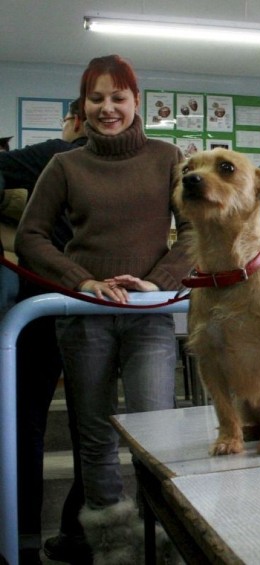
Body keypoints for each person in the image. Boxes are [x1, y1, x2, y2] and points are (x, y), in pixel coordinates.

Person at [15, 54, 191, 561]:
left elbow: (197, 232)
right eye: (96, 98)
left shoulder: (168, 158)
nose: (107, 108)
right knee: (92, 436)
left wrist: (154, 284)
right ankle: (111, 546)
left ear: (137, 101)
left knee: (154, 435)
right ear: (83, 106)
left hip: (149, 317)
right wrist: (82, 280)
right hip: (84, 318)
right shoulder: (64, 163)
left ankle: (161, 537)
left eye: (118, 97)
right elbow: (30, 236)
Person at [1, 99, 88, 564]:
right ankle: (77, 532)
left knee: (27, 423)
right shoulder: (137, 162)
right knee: (89, 427)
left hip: (40, 305)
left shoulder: (52, 152)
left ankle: (24, 539)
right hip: (97, 308)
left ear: (72, 121)